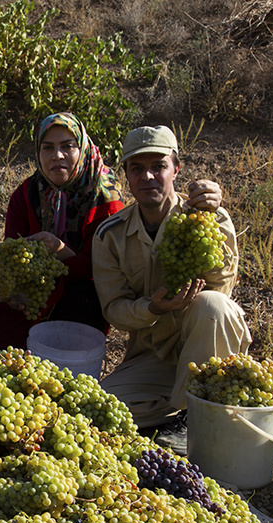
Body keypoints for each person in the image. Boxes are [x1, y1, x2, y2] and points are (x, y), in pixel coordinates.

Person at [92, 125, 251, 453]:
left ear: (176, 170)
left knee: (212, 305)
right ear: (126, 175)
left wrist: (215, 216)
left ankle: (195, 414)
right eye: (137, 168)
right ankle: (188, 407)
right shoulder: (110, 235)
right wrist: (152, 308)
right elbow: (115, 311)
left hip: (206, 351)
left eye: (158, 167)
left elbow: (222, 288)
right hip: (155, 356)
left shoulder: (208, 219)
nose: (148, 176)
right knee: (101, 412)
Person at [0, 113, 126, 350]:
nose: (57, 156)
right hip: (35, 286)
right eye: (47, 148)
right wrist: (16, 290)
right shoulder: (28, 193)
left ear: (81, 149)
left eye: (67, 146)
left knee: (68, 337)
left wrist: (60, 251)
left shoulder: (105, 199)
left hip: (84, 291)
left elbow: (101, 268)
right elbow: (12, 252)